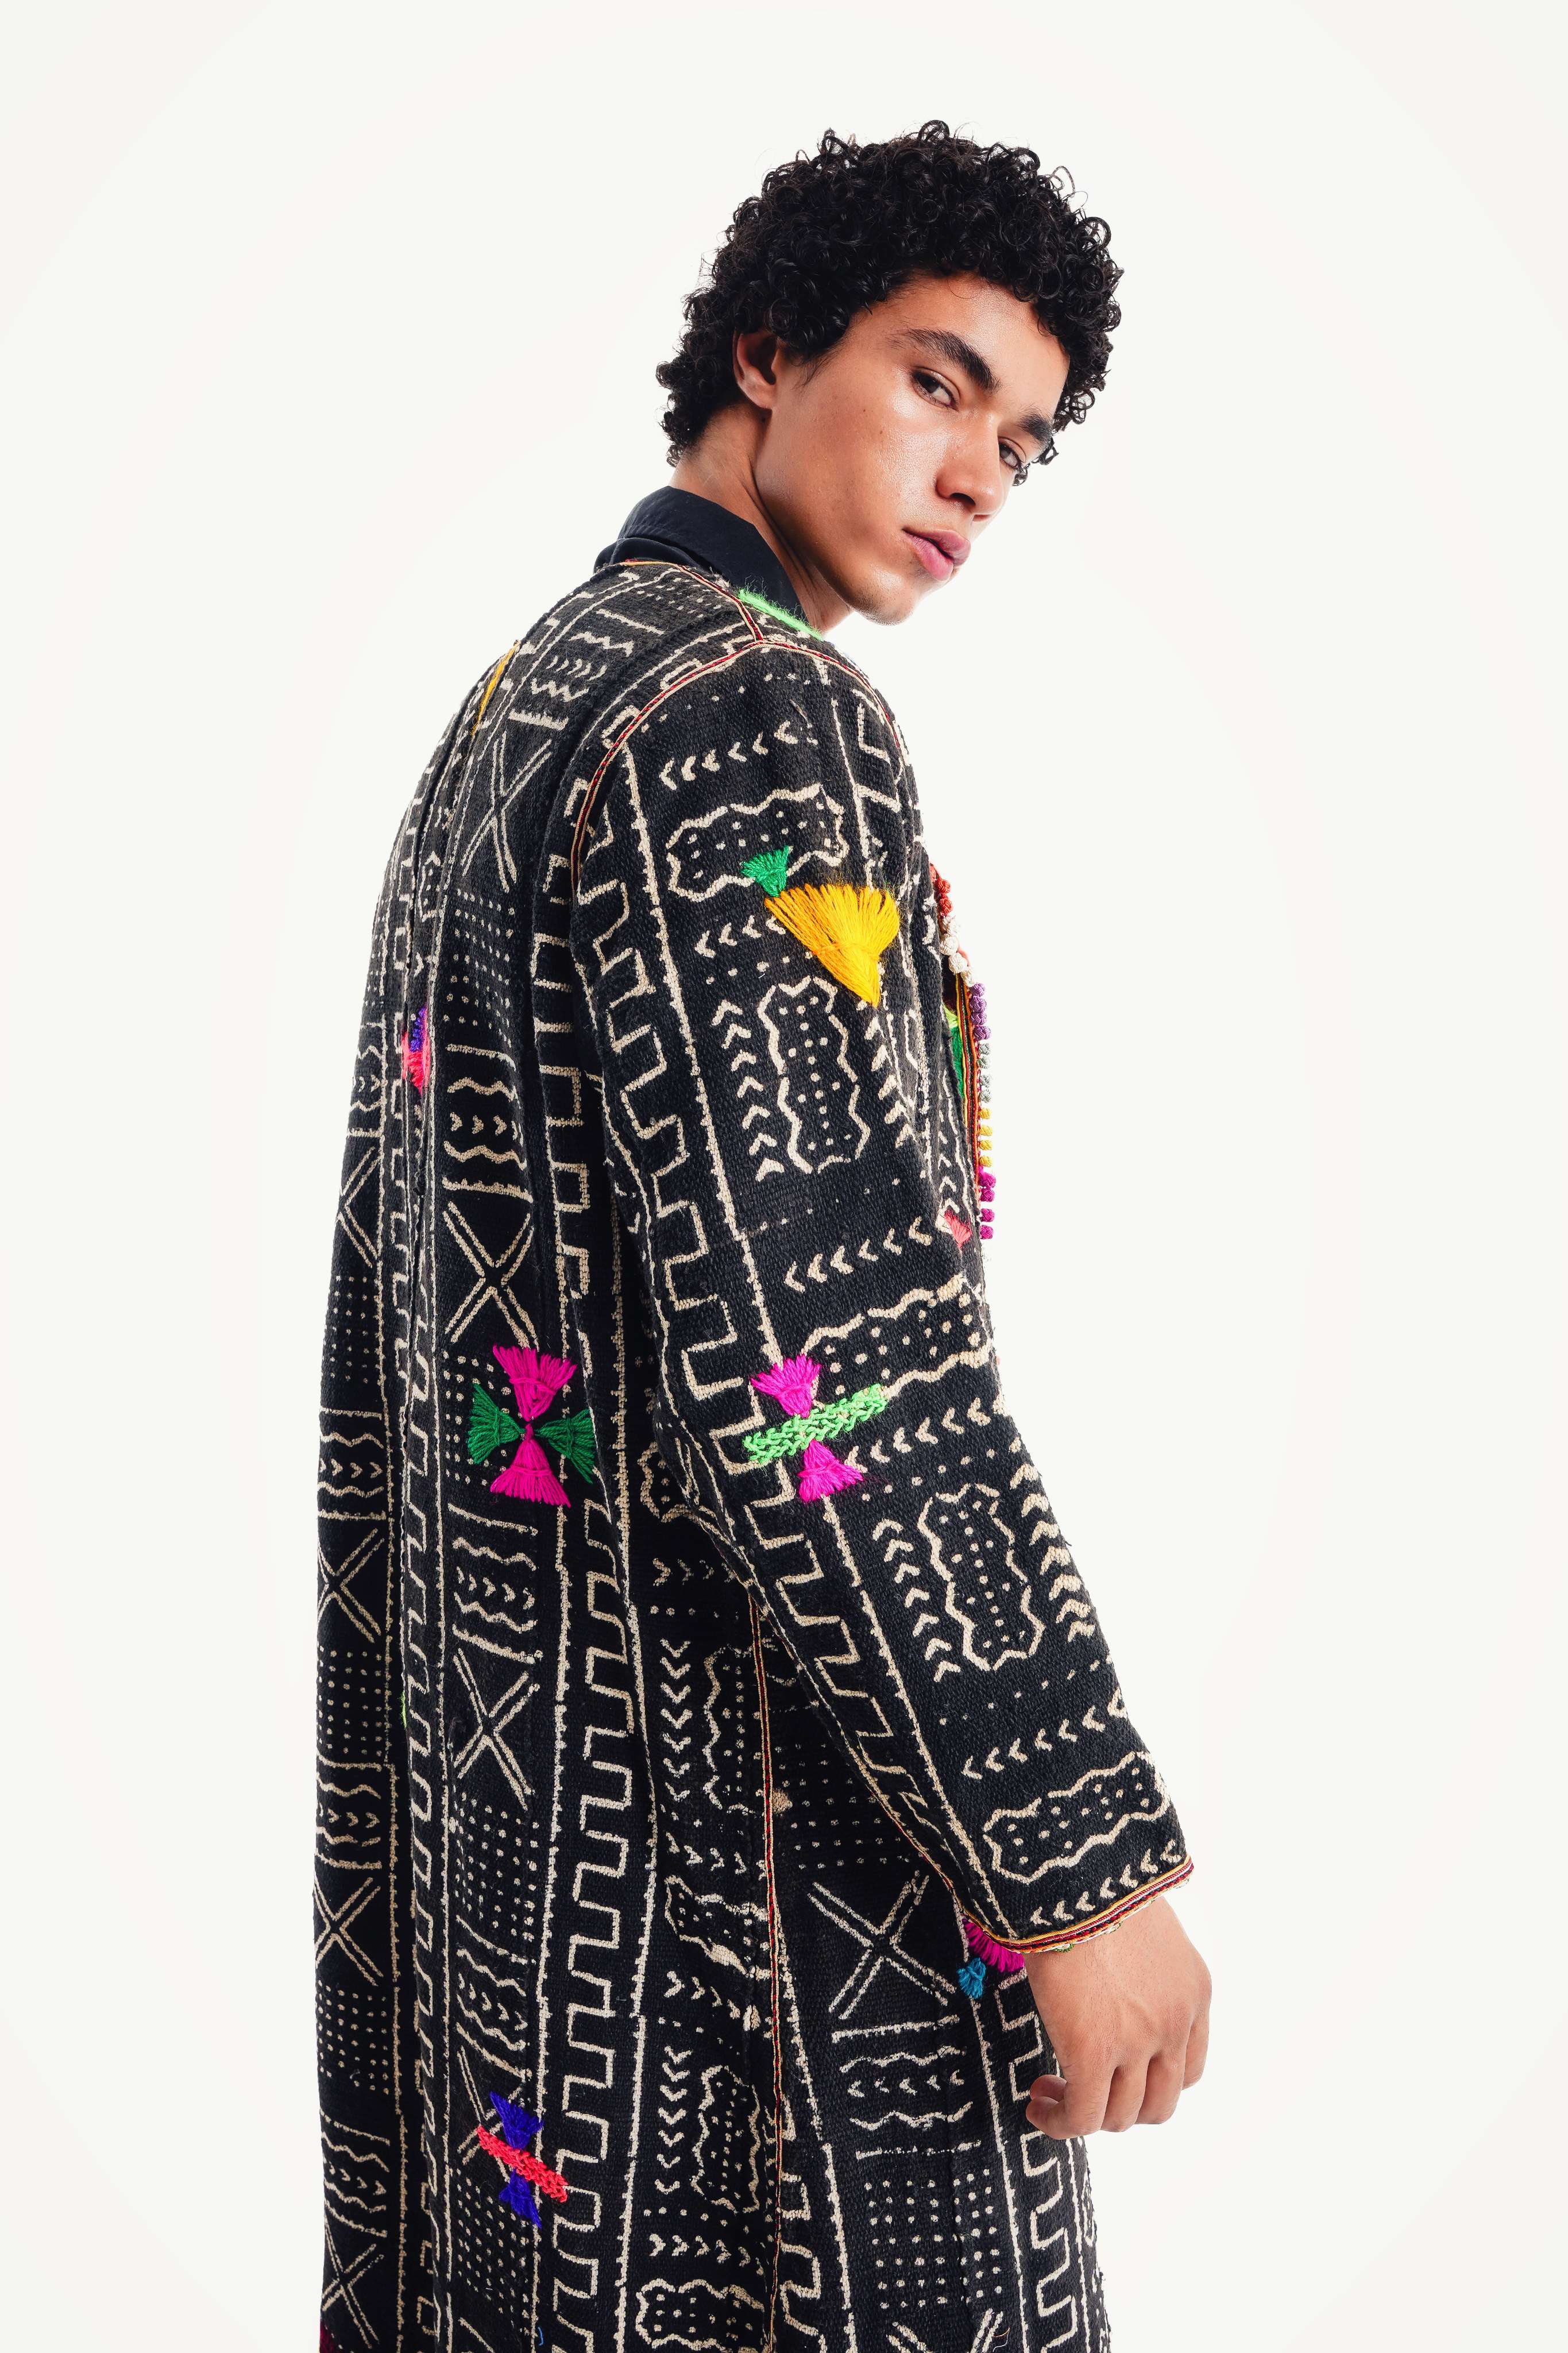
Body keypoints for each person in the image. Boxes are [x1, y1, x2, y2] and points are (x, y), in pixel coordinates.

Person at [314, 118, 1211, 2353]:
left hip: (522, 1925)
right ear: (768, 348)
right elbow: (835, 1355)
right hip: (765, 1928)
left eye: (1019, 441)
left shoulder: (523, 704)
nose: (975, 473)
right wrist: (1077, 1866)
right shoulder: (743, 714)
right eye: (935, 381)